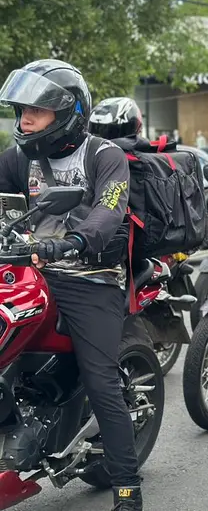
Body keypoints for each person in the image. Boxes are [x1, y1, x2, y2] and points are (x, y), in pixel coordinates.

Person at [0, 60, 142, 510]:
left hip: (89, 277)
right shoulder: (16, 157)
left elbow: (111, 208)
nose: (24, 121)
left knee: (101, 382)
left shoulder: (104, 155)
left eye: (34, 113)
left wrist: (76, 241)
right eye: (21, 112)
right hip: (28, 271)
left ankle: (127, 489)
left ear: (66, 112)